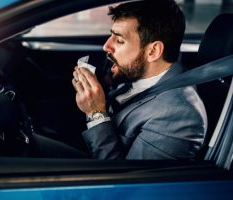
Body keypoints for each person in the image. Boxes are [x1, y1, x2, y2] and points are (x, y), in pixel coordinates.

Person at [72, 0, 207, 159]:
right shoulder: (138, 73)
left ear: (153, 51)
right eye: (111, 36)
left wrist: (96, 113)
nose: (106, 46)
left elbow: (124, 179)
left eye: (120, 40)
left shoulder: (180, 116)